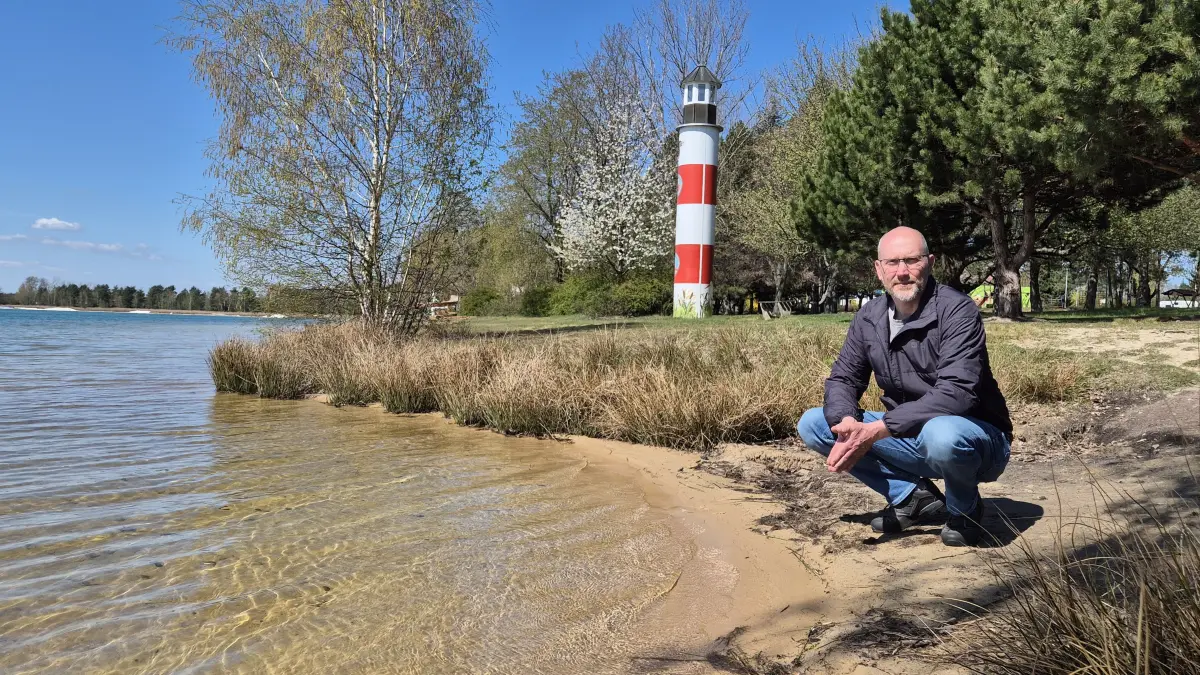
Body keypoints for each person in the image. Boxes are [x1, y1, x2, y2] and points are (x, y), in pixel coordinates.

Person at [796, 227, 1012, 547]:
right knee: (815, 424)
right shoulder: (868, 317)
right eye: (893, 262)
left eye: (912, 260)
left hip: (977, 440)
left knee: (943, 433)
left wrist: (878, 429)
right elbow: (844, 378)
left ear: (930, 263)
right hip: (909, 436)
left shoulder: (957, 310)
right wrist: (846, 423)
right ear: (878, 269)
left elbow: (957, 392)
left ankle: (964, 509)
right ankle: (913, 497)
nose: (902, 272)